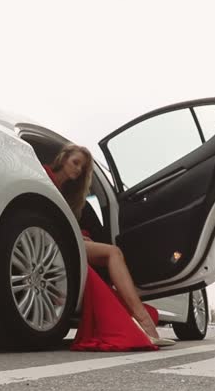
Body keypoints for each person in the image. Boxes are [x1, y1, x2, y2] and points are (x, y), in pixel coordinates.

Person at [43, 143, 174, 349]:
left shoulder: (70, 195)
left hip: (66, 241)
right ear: (63, 158)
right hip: (50, 239)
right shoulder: (43, 175)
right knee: (113, 252)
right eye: (75, 162)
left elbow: (69, 221)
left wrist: (81, 235)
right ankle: (144, 322)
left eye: (82, 168)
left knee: (112, 253)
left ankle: (143, 321)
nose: (78, 169)